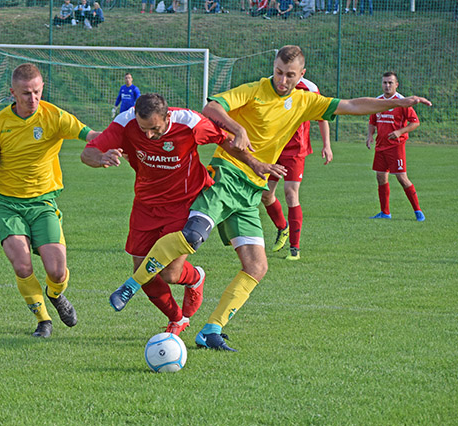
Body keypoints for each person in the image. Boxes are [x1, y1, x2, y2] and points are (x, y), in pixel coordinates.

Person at [109, 45, 431, 352]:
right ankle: (133, 284)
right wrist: (237, 128)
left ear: (301, 74)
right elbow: (212, 107)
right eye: (278, 72)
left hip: (252, 190)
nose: (283, 80)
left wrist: (398, 104)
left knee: (257, 266)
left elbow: (352, 105)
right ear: (273, 69)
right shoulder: (255, 89)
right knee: (193, 235)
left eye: (290, 75)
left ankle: (212, 330)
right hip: (227, 173)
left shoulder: (305, 101)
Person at [0, 63, 101, 338]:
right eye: (27, 93)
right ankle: (43, 320)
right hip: (7, 204)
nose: (33, 99)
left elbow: (91, 135)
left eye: (38, 92)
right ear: (13, 93)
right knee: (22, 264)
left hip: (43, 203)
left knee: (57, 270)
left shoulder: (54, 116)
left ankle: (56, 295)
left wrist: (115, 144)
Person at [81, 94, 228, 335]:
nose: (148, 135)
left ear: (167, 116)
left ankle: (194, 277)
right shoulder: (124, 123)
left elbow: (227, 139)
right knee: (143, 273)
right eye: (143, 129)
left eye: (154, 129)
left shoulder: (189, 123)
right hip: (145, 205)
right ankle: (177, 319)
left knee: (170, 273)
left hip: (182, 202)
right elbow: (87, 153)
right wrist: (101, 158)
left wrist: (252, 160)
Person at [262, 78, 332, 261]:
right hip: (274, 147)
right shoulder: (271, 84)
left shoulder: (309, 88)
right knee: (265, 194)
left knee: (290, 193)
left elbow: (322, 115)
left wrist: (327, 145)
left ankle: (295, 248)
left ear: (301, 71)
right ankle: (282, 227)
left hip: (296, 150)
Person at [366, 71, 424, 221]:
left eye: (390, 83)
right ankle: (385, 213)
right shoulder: (377, 101)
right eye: (385, 82)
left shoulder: (402, 101)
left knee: (402, 178)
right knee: (380, 177)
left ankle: (418, 211)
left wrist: (400, 132)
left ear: (396, 85)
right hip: (380, 146)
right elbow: (372, 121)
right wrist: (369, 136)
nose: (387, 85)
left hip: (396, 147)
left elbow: (415, 122)